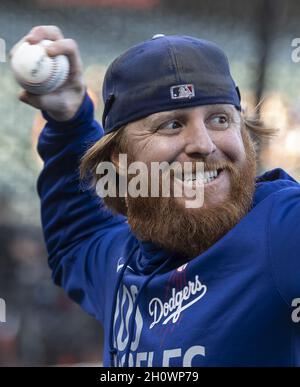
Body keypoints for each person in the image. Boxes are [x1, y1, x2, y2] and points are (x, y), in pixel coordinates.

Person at [13, 25, 300, 367]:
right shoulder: (122, 261)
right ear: (119, 160)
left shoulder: (282, 231)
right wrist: (68, 120)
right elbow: (78, 238)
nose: (204, 144)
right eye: (172, 125)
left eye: (220, 119)